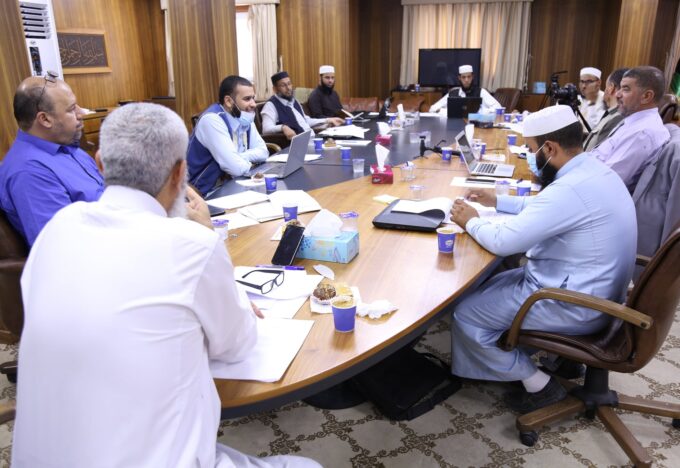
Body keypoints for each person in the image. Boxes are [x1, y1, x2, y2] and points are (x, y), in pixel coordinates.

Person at [12, 103, 322, 468]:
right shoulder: (191, 244)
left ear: (99, 164)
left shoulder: (56, 229)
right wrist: (210, 238)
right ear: (179, 174)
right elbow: (238, 345)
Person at [449, 105, 636, 414]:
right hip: (599, 293)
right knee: (486, 286)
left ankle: (539, 384)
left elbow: (503, 242)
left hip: (576, 304)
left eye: (531, 149)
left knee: (465, 314)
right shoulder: (595, 171)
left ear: (550, 148)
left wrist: (470, 221)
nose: (530, 157)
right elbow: (546, 208)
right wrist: (497, 200)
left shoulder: (570, 188)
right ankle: (557, 358)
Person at [0, 73, 104, 246]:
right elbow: (61, 244)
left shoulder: (67, 146)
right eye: (72, 109)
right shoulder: (29, 172)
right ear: (45, 119)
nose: (81, 113)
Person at [591, 66, 670, 192]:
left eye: (625, 89)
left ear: (646, 96)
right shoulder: (634, 122)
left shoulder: (642, 134)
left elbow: (606, 182)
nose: (617, 94)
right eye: (620, 88)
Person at [187, 75, 268, 195]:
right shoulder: (212, 120)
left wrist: (238, 156)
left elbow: (263, 152)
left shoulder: (244, 117)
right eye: (247, 99)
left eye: (253, 98)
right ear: (229, 101)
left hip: (235, 183)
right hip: (205, 192)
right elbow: (236, 168)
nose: (253, 104)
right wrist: (240, 161)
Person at [261, 71, 344, 140]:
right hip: (296, 145)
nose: (288, 88)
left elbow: (305, 121)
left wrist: (328, 120)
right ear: (275, 89)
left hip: (312, 138)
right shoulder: (271, 105)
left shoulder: (294, 101)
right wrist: (283, 127)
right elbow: (266, 129)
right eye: (283, 85)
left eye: (289, 84)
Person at [583, 67, 629, 151]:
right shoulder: (612, 114)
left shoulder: (616, 118)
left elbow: (597, 152)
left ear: (611, 88)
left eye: (605, 87)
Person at [429, 65, 501, 114]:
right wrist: (446, 111)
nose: (466, 80)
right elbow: (432, 109)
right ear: (459, 78)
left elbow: (498, 108)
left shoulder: (481, 92)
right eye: (463, 77)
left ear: (472, 77)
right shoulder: (453, 93)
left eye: (469, 77)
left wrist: (481, 111)